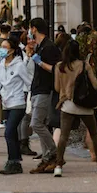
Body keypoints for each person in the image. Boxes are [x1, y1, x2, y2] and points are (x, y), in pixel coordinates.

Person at [52, 40, 97, 177]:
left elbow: (56, 88)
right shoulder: (84, 65)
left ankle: (58, 166)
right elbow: (95, 85)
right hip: (84, 105)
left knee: (64, 136)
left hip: (67, 104)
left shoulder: (59, 66)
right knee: (94, 134)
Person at [0, 34, 32, 175]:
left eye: (5, 47)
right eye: (1, 47)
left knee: (9, 132)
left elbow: (29, 83)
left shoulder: (19, 66)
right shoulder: (1, 65)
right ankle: (16, 162)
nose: (1, 50)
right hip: (6, 105)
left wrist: (31, 100)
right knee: (13, 134)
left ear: (12, 50)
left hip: (18, 104)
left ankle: (12, 162)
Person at [28, 18, 62, 174]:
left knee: (36, 124)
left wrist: (40, 62)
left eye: (30, 29)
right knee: (41, 124)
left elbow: (56, 69)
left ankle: (54, 152)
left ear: (34, 29)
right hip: (36, 88)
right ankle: (47, 160)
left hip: (44, 89)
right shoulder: (40, 46)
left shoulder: (49, 47)